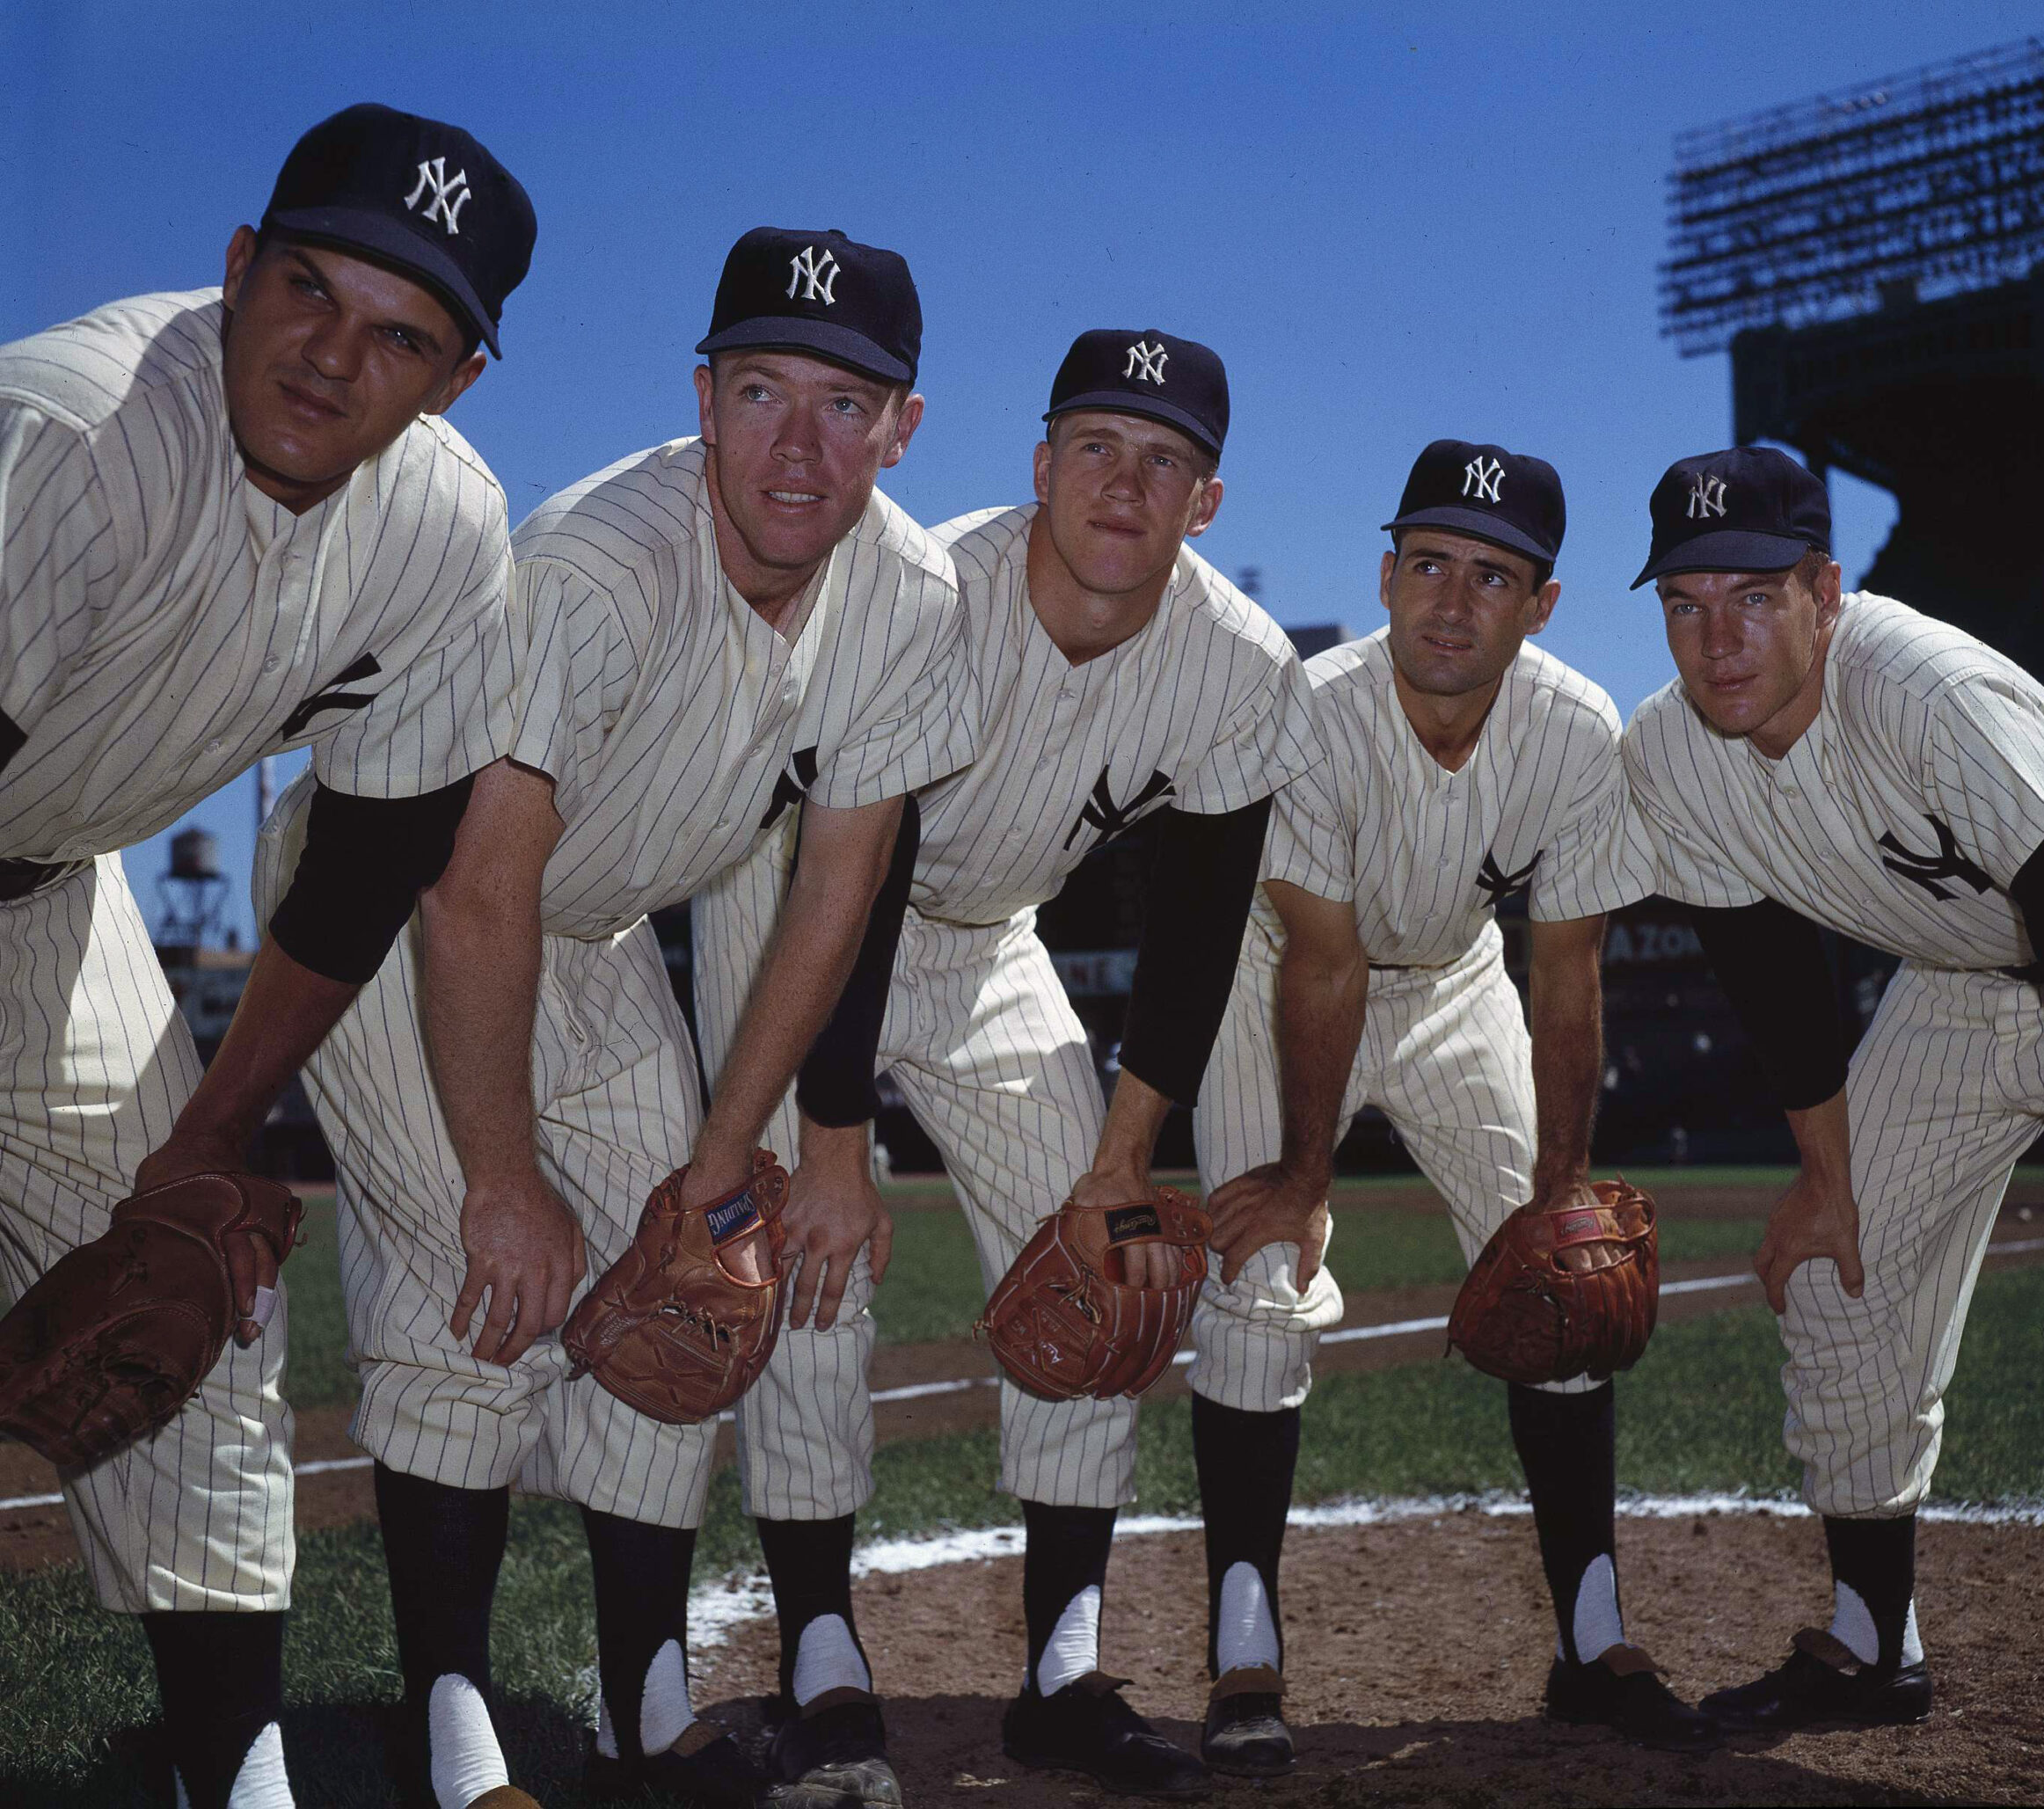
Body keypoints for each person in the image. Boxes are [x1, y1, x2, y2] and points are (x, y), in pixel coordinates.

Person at [249, 228, 973, 1808]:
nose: (800, 445)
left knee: (694, 1284)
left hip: (586, 928)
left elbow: (837, 888)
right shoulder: (597, 563)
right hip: (399, 896)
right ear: (703, 398)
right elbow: (473, 892)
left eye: (847, 405)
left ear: (904, 426)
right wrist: (504, 1177)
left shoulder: (912, 595)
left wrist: (722, 1150)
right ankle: (455, 1741)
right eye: (764, 389)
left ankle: (646, 1716)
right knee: (482, 1280)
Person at [692, 327, 1321, 1801]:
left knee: (1097, 1273)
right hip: (797, 909)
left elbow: (1199, 926)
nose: (1126, 481)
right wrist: (833, 1144)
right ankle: (826, 1664)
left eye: (1165, 460)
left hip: (988, 940)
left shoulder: (1236, 663)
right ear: (1039, 466)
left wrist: (1123, 1155)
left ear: (1206, 504)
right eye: (1097, 446)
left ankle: (1063, 1668)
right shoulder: (932, 592)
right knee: (805, 1267)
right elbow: (859, 873)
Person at [0, 102, 535, 1809]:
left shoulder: (443, 528)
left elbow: (370, 855)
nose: (330, 357)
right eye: (306, 288)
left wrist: (207, 1137)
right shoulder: (65, 437)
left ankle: (229, 1778)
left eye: (401, 336)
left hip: (47, 897)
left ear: (451, 383)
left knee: (202, 1316)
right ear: (233, 271)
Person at [1621, 445, 2044, 1805]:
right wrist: (1825, 1177)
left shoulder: (1920, 684)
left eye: (1750, 596)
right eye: (1683, 601)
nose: (1715, 636)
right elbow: (1776, 980)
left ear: (1824, 591)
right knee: (1835, 1274)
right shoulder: (1670, 752)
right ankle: (1871, 1638)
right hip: (1963, 982)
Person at [1183, 438, 1714, 1774]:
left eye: (1491, 576)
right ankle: (1246, 1645)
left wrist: (1565, 1184)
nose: (1450, 599)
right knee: (1256, 1282)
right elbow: (1319, 956)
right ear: (1385, 572)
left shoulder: (1576, 730)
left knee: (1574, 1282)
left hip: (1460, 984)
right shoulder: (1312, 707)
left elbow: (1569, 970)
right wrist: (1305, 1181)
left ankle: (1593, 1638)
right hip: (1279, 983)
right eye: (1427, 563)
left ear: (1540, 604)